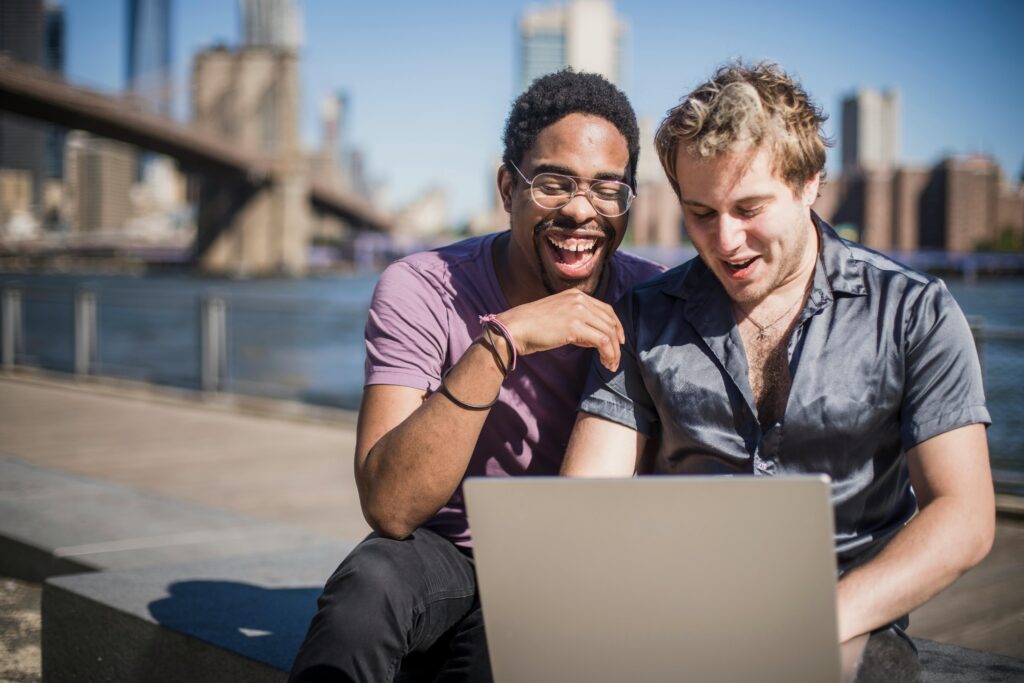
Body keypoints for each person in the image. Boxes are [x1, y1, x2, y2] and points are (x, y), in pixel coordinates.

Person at [561, 62, 994, 679]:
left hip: (848, 624)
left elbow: (965, 516)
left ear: (810, 182)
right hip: (677, 619)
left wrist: (818, 621)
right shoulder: (641, 318)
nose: (726, 240)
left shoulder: (913, 313)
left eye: (749, 208)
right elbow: (586, 501)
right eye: (701, 213)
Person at [289, 69, 664, 682]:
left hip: (573, 570)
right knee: (366, 588)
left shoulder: (654, 299)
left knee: (503, 659)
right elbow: (389, 507)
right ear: (506, 188)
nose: (580, 210)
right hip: (445, 554)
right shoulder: (422, 286)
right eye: (552, 183)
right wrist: (504, 341)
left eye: (607, 189)